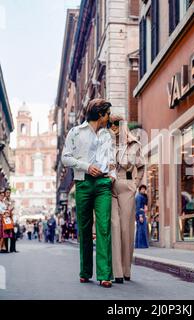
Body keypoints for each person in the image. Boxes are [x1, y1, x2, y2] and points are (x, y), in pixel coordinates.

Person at [62, 98, 115, 288]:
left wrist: (113, 175)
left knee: (103, 227)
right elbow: (65, 158)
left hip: (102, 184)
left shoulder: (107, 135)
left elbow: (111, 159)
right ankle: (85, 271)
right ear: (100, 114)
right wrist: (86, 166)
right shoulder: (75, 132)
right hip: (83, 183)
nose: (110, 117)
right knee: (84, 229)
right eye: (108, 113)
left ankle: (105, 274)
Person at [110, 115, 145, 283]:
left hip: (127, 186)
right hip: (108, 186)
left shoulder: (134, 145)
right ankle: (116, 271)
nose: (113, 127)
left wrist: (135, 185)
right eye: (110, 124)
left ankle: (126, 269)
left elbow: (141, 166)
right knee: (114, 226)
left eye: (116, 124)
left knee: (126, 229)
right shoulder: (106, 142)